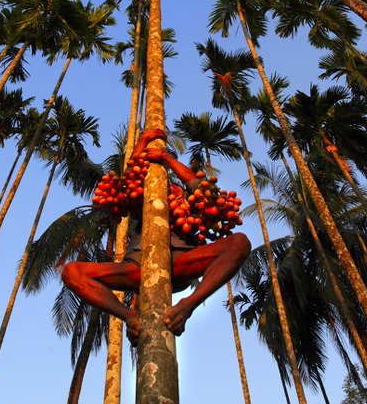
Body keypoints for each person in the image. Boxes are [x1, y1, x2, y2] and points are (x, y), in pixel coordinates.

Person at [61, 129, 251, 343]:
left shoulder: (188, 203)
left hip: (181, 259)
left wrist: (164, 157)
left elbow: (199, 187)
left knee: (240, 243)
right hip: (136, 264)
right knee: (71, 272)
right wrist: (143, 141)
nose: (174, 193)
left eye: (177, 191)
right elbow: (131, 179)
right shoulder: (141, 201)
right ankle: (128, 315)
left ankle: (188, 304)